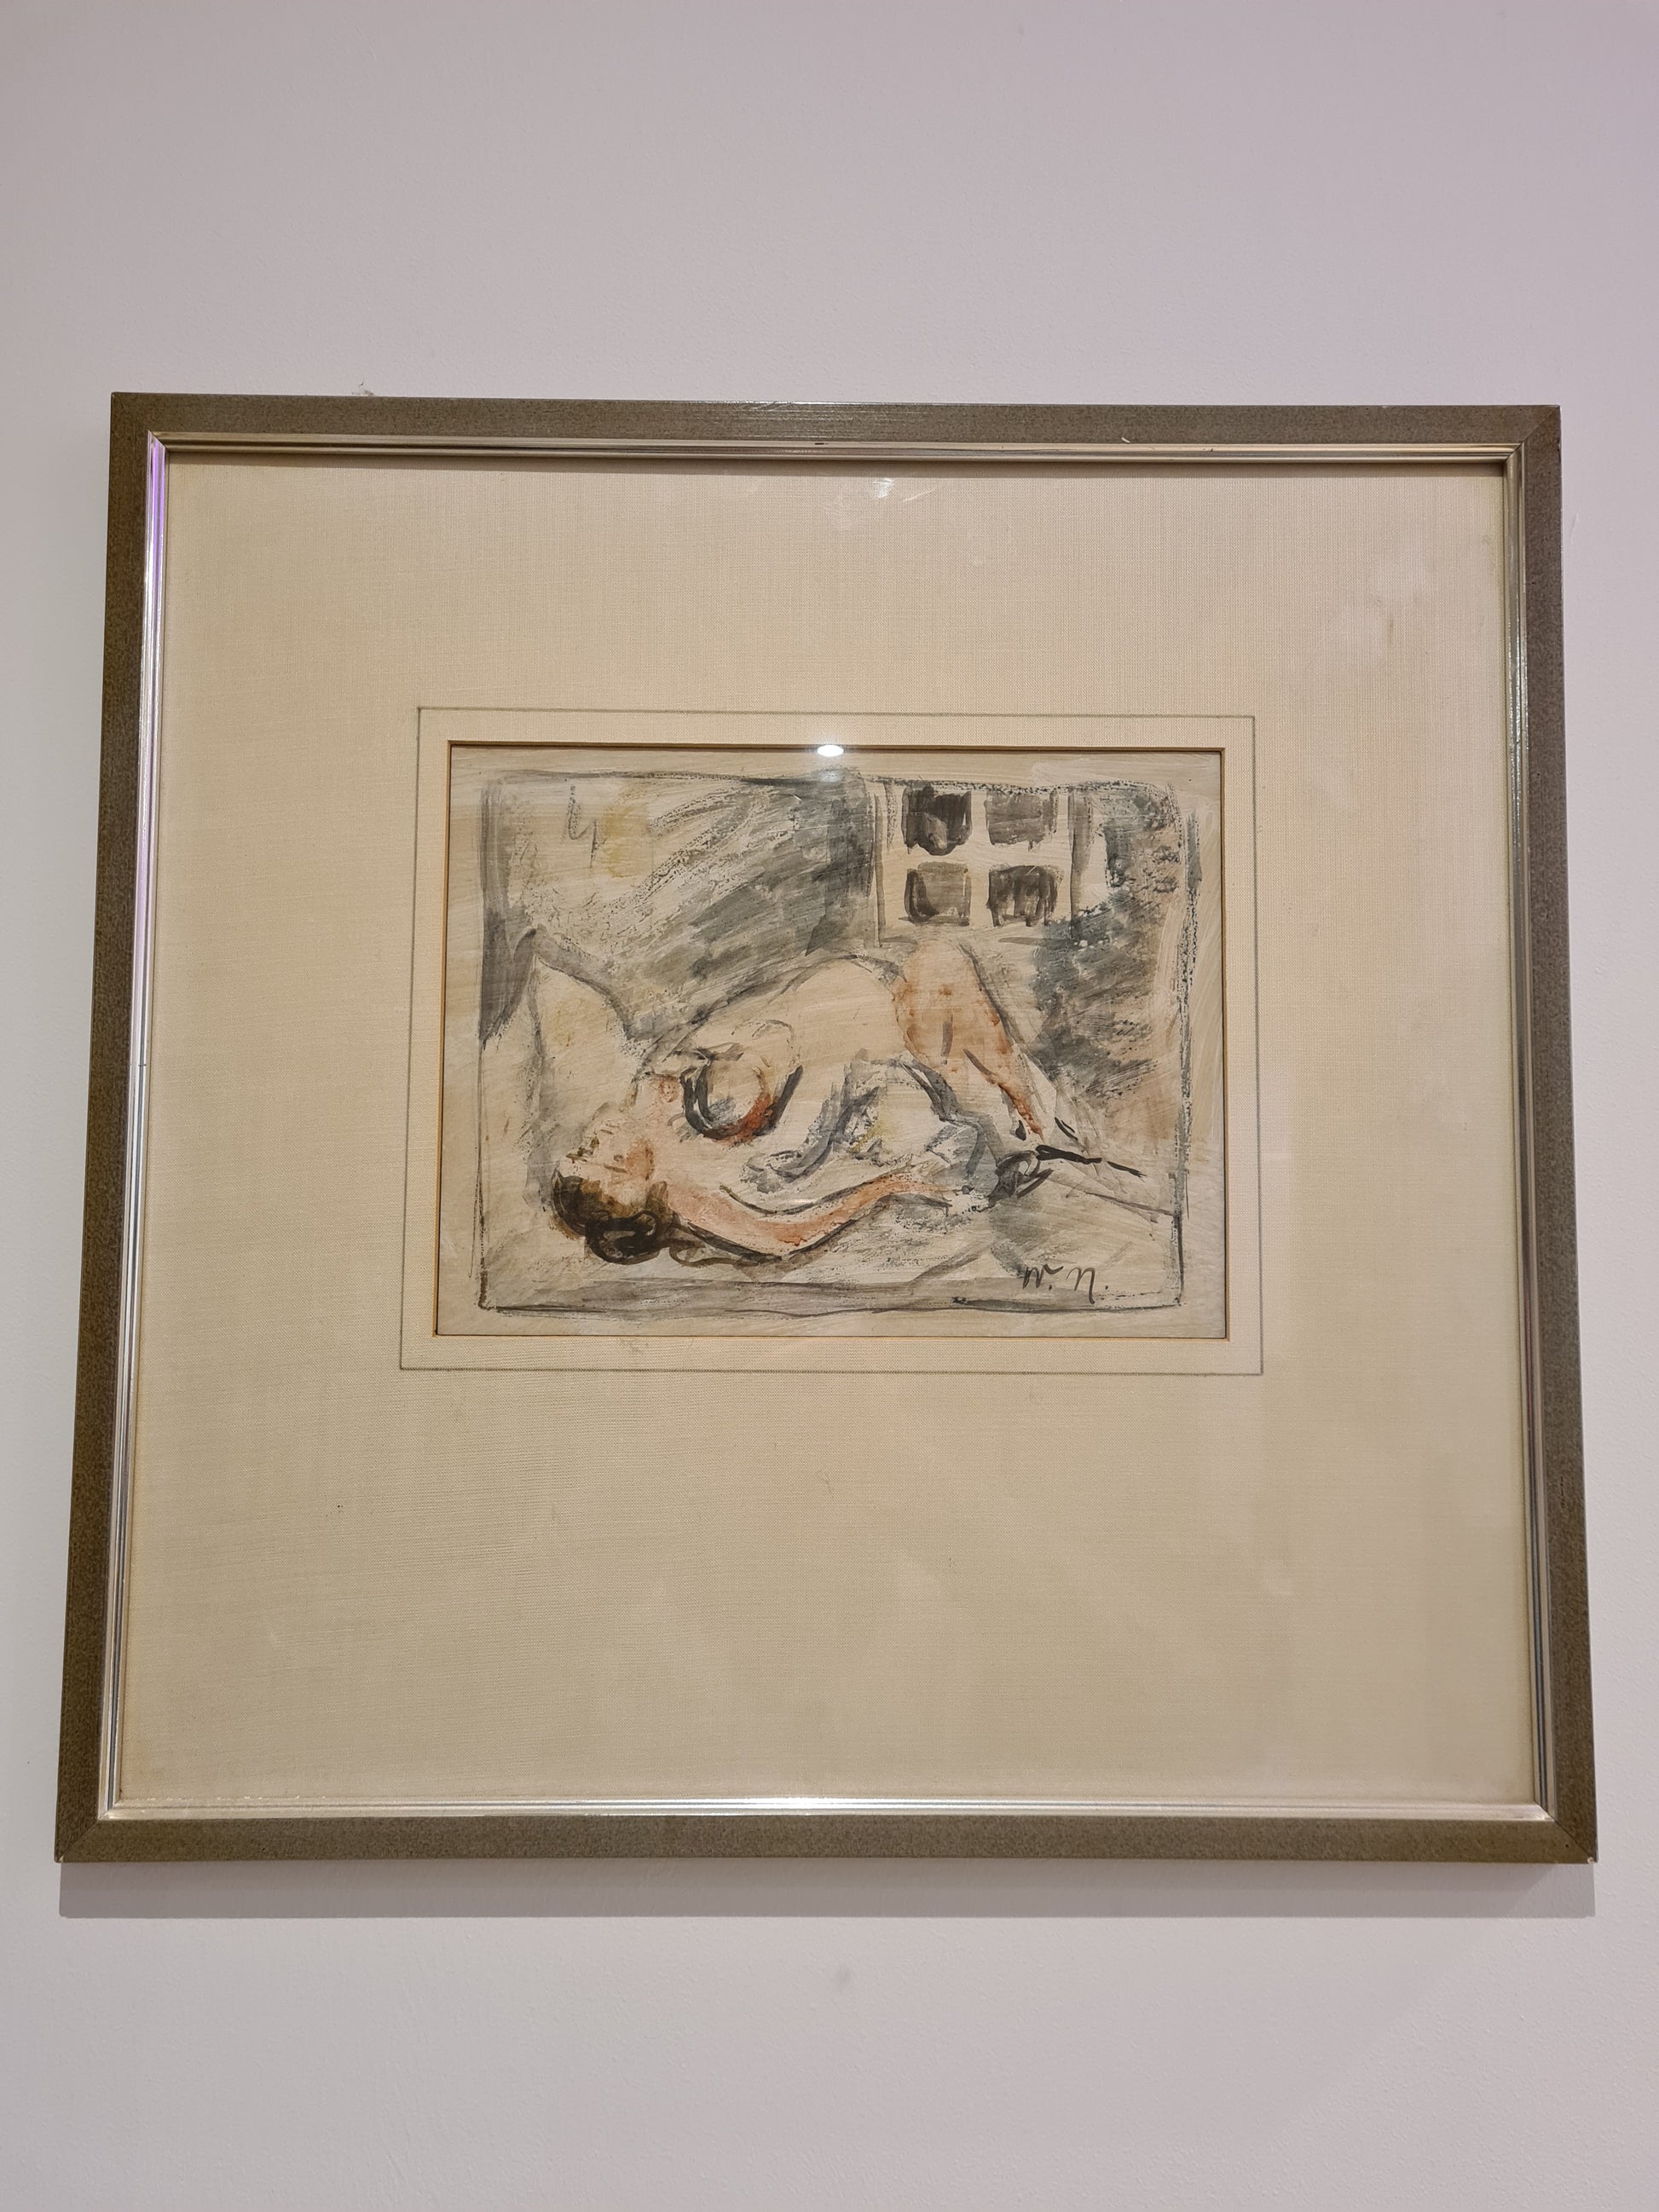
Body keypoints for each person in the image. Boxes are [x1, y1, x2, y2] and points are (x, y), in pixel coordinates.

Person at [548, 938, 1088, 1266]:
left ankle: (1030, 1112)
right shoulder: (684, 1192)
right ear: (632, 1193)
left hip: (835, 1043)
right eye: (604, 1158)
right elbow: (781, 1238)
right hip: (864, 1086)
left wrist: (740, 1058)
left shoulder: (654, 1092)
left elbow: (744, 1032)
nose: (601, 1137)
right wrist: (889, 1186)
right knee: (937, 976)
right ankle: (1032, 1117)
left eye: (589, 1146)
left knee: (938, 980)